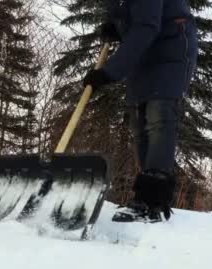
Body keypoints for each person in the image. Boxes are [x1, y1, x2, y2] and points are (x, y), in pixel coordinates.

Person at [83, 0, 198, 223]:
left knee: (159, 117)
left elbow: (146, 26)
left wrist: (109, 72)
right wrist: (114, 25)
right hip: (146, 55)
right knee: (139, 123)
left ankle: (152, 201)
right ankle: (145, 196)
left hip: (171, 50)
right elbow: (128, 16)